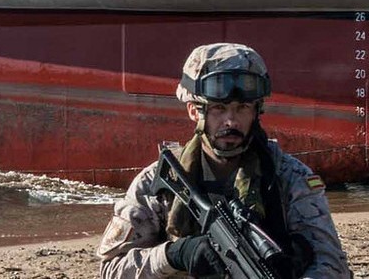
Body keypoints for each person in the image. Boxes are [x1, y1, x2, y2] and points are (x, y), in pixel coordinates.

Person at [97, 43, 350, 278]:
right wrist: (174, 255)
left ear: (257, 111)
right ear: (194, 111)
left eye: (242, 108)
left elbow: (331, 263)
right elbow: (111, 269)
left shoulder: (288, 176)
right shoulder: (158, 182)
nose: (231, 121)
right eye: (219, 108)